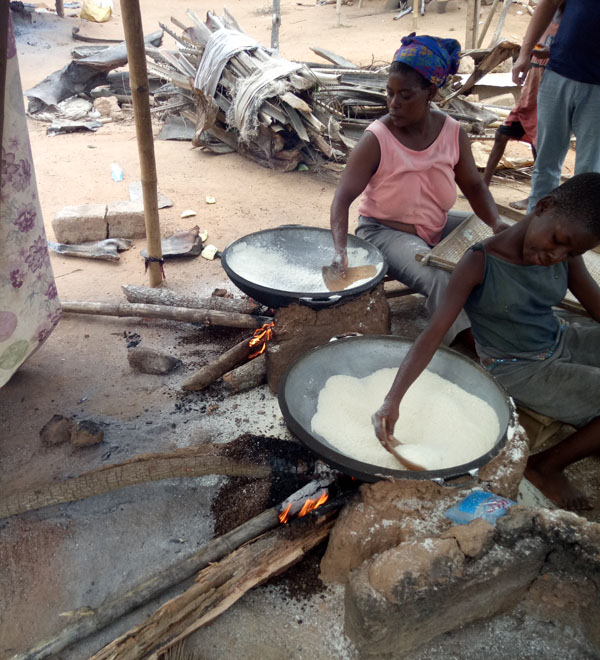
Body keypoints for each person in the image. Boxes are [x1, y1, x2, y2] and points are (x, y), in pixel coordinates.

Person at [372, 172, 600, 511]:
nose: (558, 255)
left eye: (570, 251)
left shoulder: (566, 253)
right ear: (543, 205)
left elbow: (595, 304)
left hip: (560, 336)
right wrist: (392, 399)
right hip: (520, 367)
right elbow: (433, 333)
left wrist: (567, 253)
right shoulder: (479, 262)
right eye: (557, 240)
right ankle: (544, 466)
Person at [330, 34, 505, 346]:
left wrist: (495, 224)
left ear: (431, 92)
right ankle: (470, 348)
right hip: (383, 231)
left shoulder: (452, 133)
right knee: (441, 275)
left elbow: (475, 187)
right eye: (390, 93)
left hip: (435, 224)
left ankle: (503, 315)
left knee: (495, 238)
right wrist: (341, 249)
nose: (394, 103)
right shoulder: (377, 139)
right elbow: (342, 199)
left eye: (405, 95)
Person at [512, 0, 600, 215]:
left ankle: (573, 238)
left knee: (588, 172)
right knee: (545, 165)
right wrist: (525, 54)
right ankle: (534, 226)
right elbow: (549, 4)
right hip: (559, 73)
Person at [482, 4, 563, 210]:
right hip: (529, 96)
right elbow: (530, 47)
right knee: (501, 135)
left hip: (548, 96)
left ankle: (535, 197)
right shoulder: (545, 19)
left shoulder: (569, 23)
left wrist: (551, 52)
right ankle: (482, 187)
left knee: (541, 151)